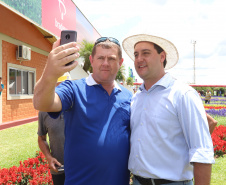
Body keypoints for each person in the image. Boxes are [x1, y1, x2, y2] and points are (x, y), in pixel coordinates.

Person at [33, 37, 132, 185]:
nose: (105, 63)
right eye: (100, 58)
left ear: (120, 62)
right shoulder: (73, 89)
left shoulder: (129, 96)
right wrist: (51, 71)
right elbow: (41, 102)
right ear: (92, 60)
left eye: (111, 58)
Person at [122, 34, 215, 185]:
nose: (139, 59)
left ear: (162, 56)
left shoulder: (182, 94)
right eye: (136, 54)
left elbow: (201, 152)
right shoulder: (136, 97)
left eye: (146, 53)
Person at [38, 111, 65, 185]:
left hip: (79, 168)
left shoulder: (78, 105)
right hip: (58, 169)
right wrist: (49, 157)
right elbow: (41, 138)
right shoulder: (44, 111)